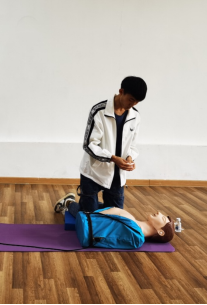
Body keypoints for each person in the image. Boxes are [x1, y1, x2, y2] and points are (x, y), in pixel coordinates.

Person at [55, 76, 147, 215]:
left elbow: (132, 145)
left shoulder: (135, 116)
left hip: (117, 176)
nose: (133, 104)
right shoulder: (99, 111)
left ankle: (85, 206)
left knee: (115, 217)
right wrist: (112, 158)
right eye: (131, 99)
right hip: (93, 173)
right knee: (89, 217)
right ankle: (69, 204)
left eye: (137, 102)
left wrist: (130, 158)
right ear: (121, 91)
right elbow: (89, 145)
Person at [57, 195, 174, 249]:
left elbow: (109, 213)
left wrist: (90, 214)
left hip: (89, 223)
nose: (159, 212)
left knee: (86, 208)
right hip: (94, 227)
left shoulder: (135, 230)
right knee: (96, 205)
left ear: (160, 232)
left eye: (163, 218)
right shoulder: (137, 231)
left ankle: (68, 202)